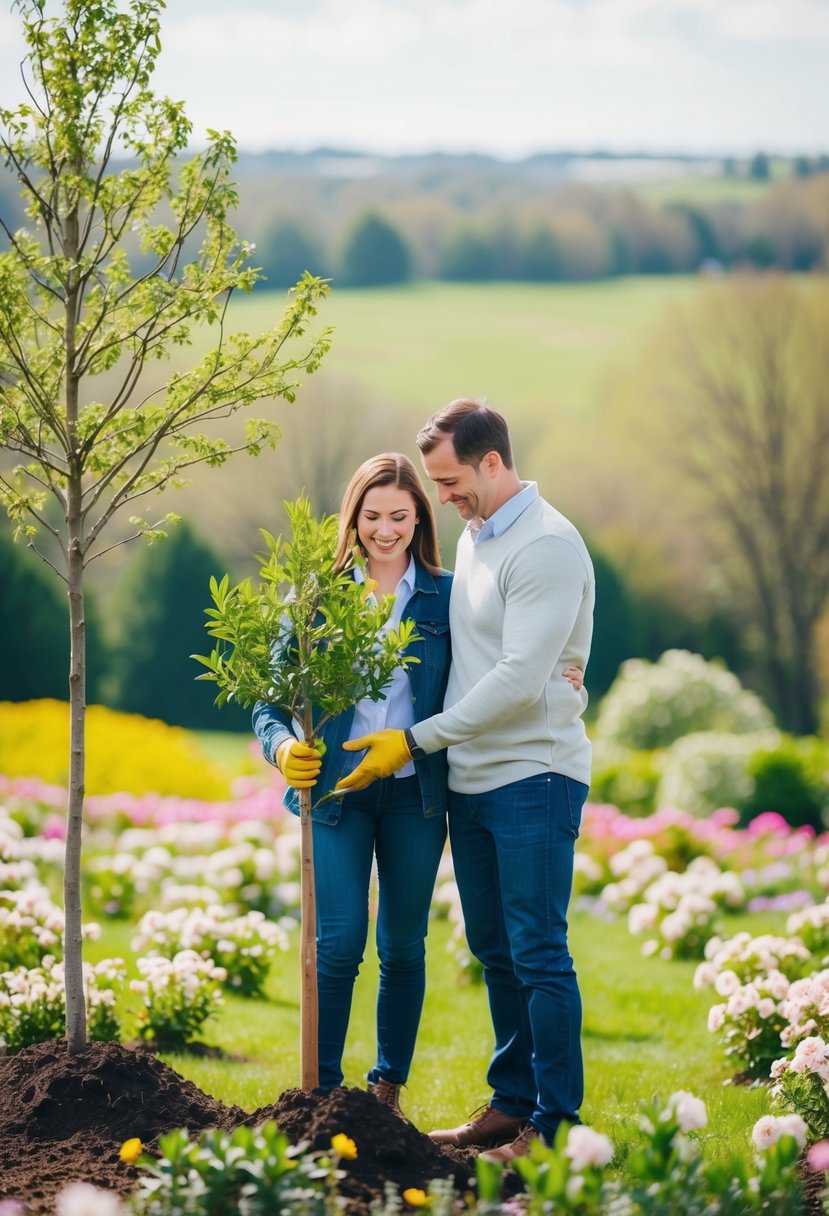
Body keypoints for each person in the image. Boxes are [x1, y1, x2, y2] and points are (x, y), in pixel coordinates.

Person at [335, 399, 595, 1160]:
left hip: (532, 777)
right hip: (474, 780)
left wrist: (414, 741)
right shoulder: (482, 538)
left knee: (538, 949)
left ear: (491, 462)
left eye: (449, 480)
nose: (440, 497)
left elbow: (518, 679)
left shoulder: (543, 545)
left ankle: (553, 1127)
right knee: (495, 948)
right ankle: (511, 1105)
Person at [252, 452, 452, 1114]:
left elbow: (501, 666)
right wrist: (281, 748)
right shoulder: (314, 599)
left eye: (399, 515)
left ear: (419, 515)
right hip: (334, 795)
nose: (385, 530)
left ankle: (386, 1090)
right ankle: (324, 1096)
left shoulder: (446, 598)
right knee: (337, 946)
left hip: (412, 795)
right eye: (372, 516)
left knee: (401, 946)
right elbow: (268, 702)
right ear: (352, 518)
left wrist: (563, 667)